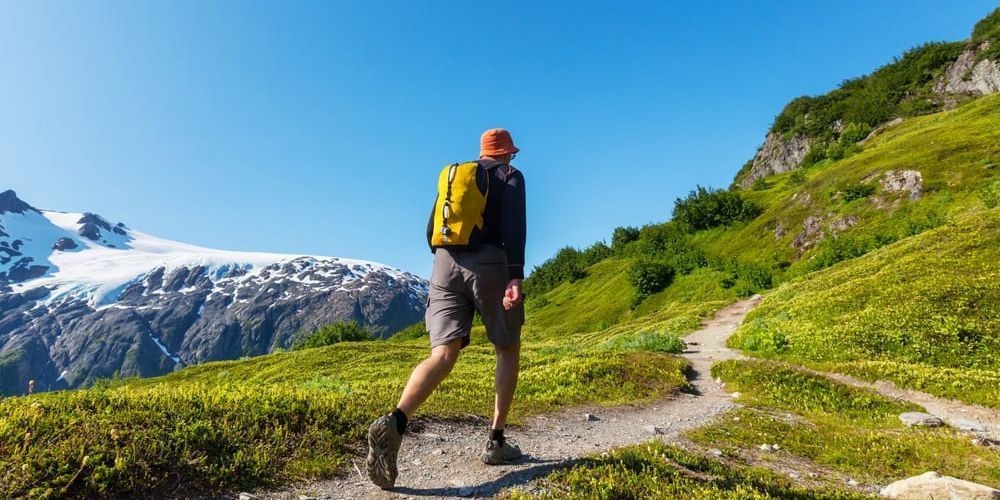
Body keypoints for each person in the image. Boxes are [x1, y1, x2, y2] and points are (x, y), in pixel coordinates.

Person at [366, 128, 527, 490]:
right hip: (490, 264)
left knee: (442, 353)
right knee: (506, 346)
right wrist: (513, 276)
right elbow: (515, 227)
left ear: (482, 151)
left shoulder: (458, 176)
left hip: (443, 263)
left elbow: (430, 230)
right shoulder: (509, 176)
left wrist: (451, 263)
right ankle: (496, 441)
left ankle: (396, 419)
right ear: (507, 154)